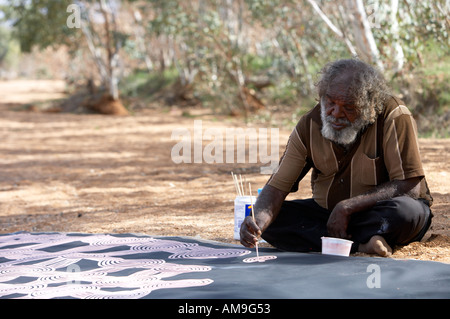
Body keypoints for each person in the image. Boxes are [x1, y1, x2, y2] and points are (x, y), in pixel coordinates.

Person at [240, 58, 433, 257]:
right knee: (273, 220)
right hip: (328, 216)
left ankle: (343, 240)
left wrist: (348, 206)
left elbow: (409, 187)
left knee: (407, 212)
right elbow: (276, 188)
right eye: (330, 102)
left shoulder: (394, 115)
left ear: (368, 105)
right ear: (322, 96)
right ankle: (362, 244)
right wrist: (257, 224)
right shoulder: (309, 125)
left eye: (349, 107)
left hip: (379, 214)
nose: (336, 113)